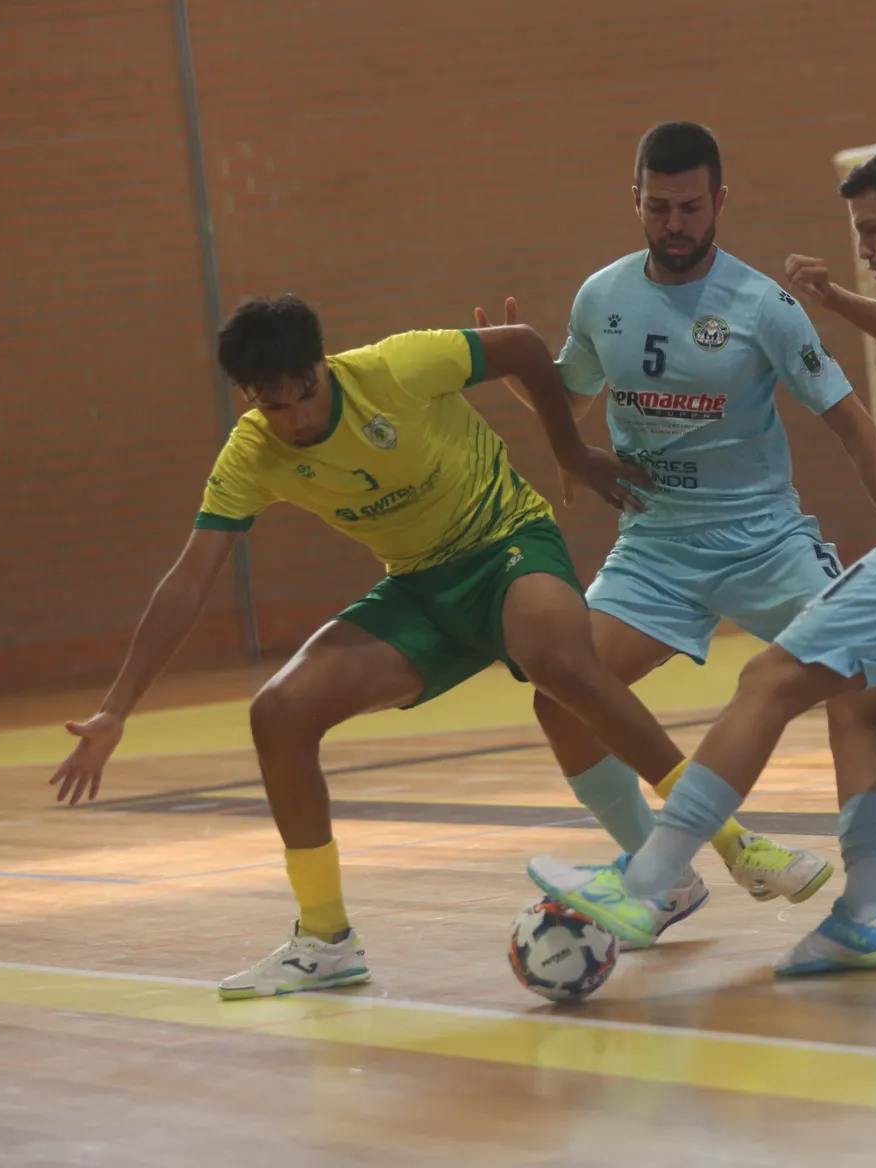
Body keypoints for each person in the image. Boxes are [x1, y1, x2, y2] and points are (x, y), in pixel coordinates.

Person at [529, 138, 876, 975]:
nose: (863, 249)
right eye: (659, 205)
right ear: (636, 199)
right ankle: (865, 914)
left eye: (870, 230)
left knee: (772, 682)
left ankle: (646, 885)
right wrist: (839, 298)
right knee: (875, 710)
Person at [49, 293, 672, 999]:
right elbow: (190, 578)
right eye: (273, 407)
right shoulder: (253, 453)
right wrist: (117, 710)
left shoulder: (393, 368)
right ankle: (325, 942)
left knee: (559, 672)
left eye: (306, 395)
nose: (298, 419)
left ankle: (713, 840)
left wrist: (570, 450)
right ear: (250, 400)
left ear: (323, 366)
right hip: (420, 592)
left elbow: (525, 345)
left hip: (503, 545)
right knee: (278, 711)